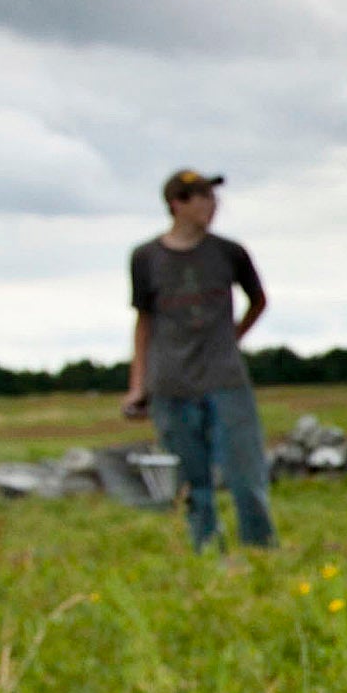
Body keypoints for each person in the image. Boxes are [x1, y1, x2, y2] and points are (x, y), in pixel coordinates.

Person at [123, 169, 275, 551]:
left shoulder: (229, 252)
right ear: (177, 204)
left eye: (213, 196)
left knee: (246, 474)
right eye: (202, 197)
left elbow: (259, 301)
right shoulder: (145, 258)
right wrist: (138, 385)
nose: (212, 204)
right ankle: (206, 550)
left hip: (225, 380)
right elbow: (144, 322)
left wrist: (233, 337)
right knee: (191, 482)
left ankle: (259, 550)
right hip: (170, 384)